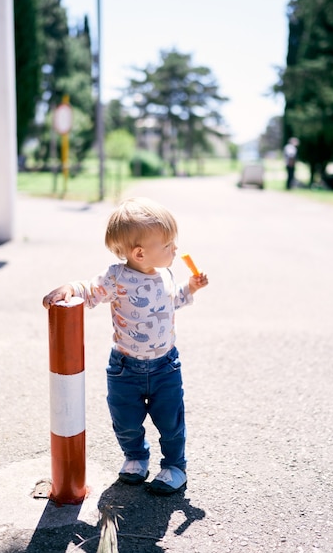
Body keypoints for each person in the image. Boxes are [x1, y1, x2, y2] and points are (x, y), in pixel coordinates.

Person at [43, 197, 209, 495]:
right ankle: (135, 457)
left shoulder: (166, 274)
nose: (176, 248)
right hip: (124, 368)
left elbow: (171, 304)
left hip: (165, 365)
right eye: (169, 243)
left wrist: (190, 289)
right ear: (140, 253)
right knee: (126, 420)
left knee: (171, 420)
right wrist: (71, 288)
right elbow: (90, 291)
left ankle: (174, 466)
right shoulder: (117, 278)